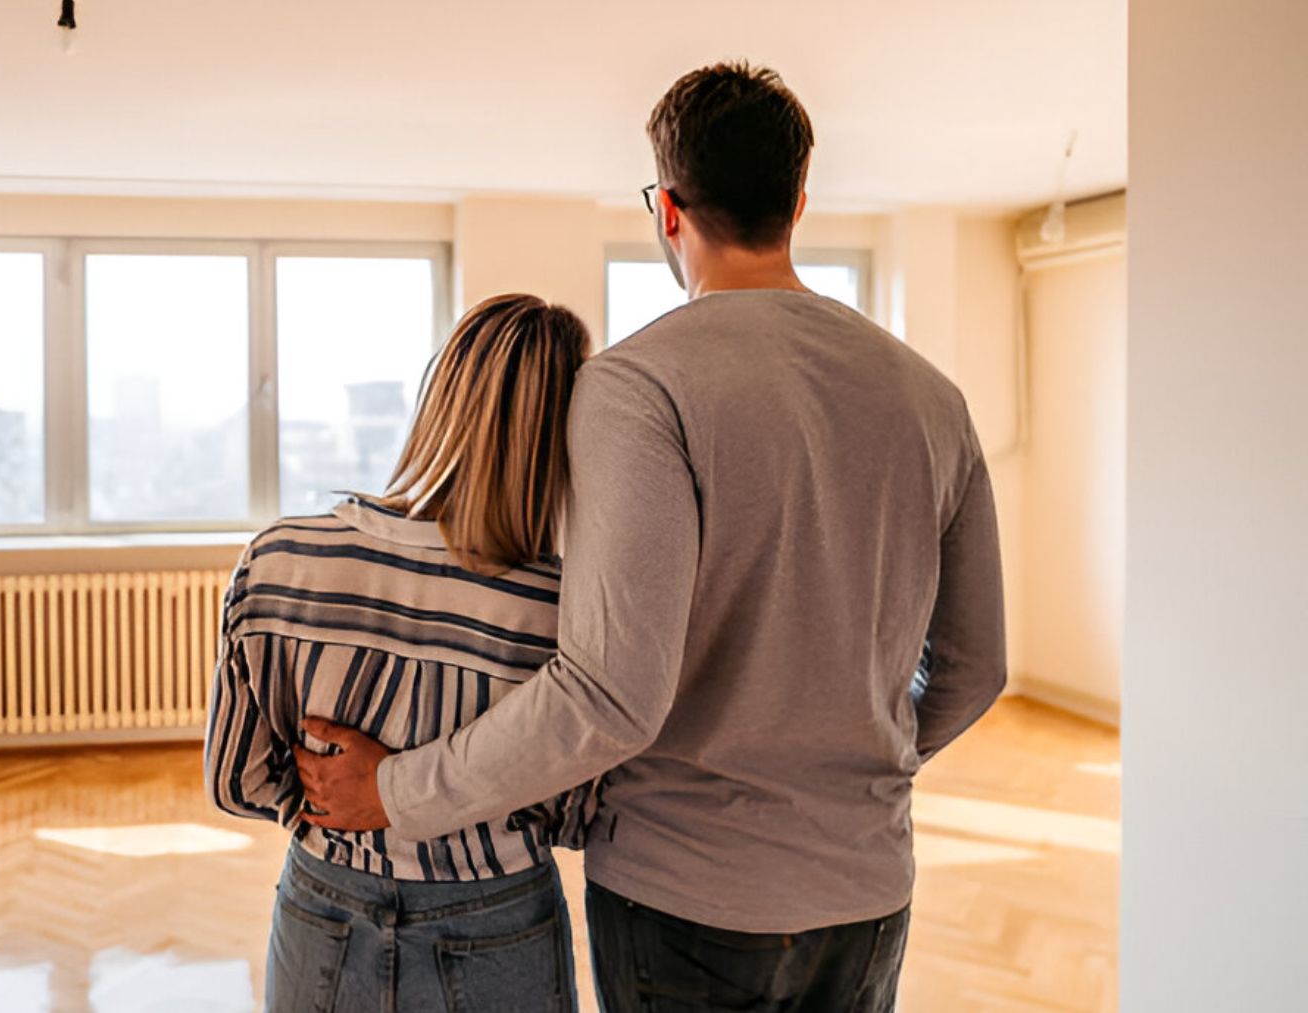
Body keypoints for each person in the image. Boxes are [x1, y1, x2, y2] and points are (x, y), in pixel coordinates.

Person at [296, 61, 1007, 1012]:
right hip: (869, 890)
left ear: (667, 209)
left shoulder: (638, 386)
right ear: (798, 201)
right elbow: (976, 665)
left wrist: (400, 793)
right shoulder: (932, 399)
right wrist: (854, 761)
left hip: (685, 896)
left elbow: (611, 691)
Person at [204, 293, 596, 1013]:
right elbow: (576, 814)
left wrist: (347, 805)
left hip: (325, 901)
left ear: (439, 396)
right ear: (564, 435)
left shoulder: (279, 557)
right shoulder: (567, 608)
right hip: (498, 918)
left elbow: (237, 780)